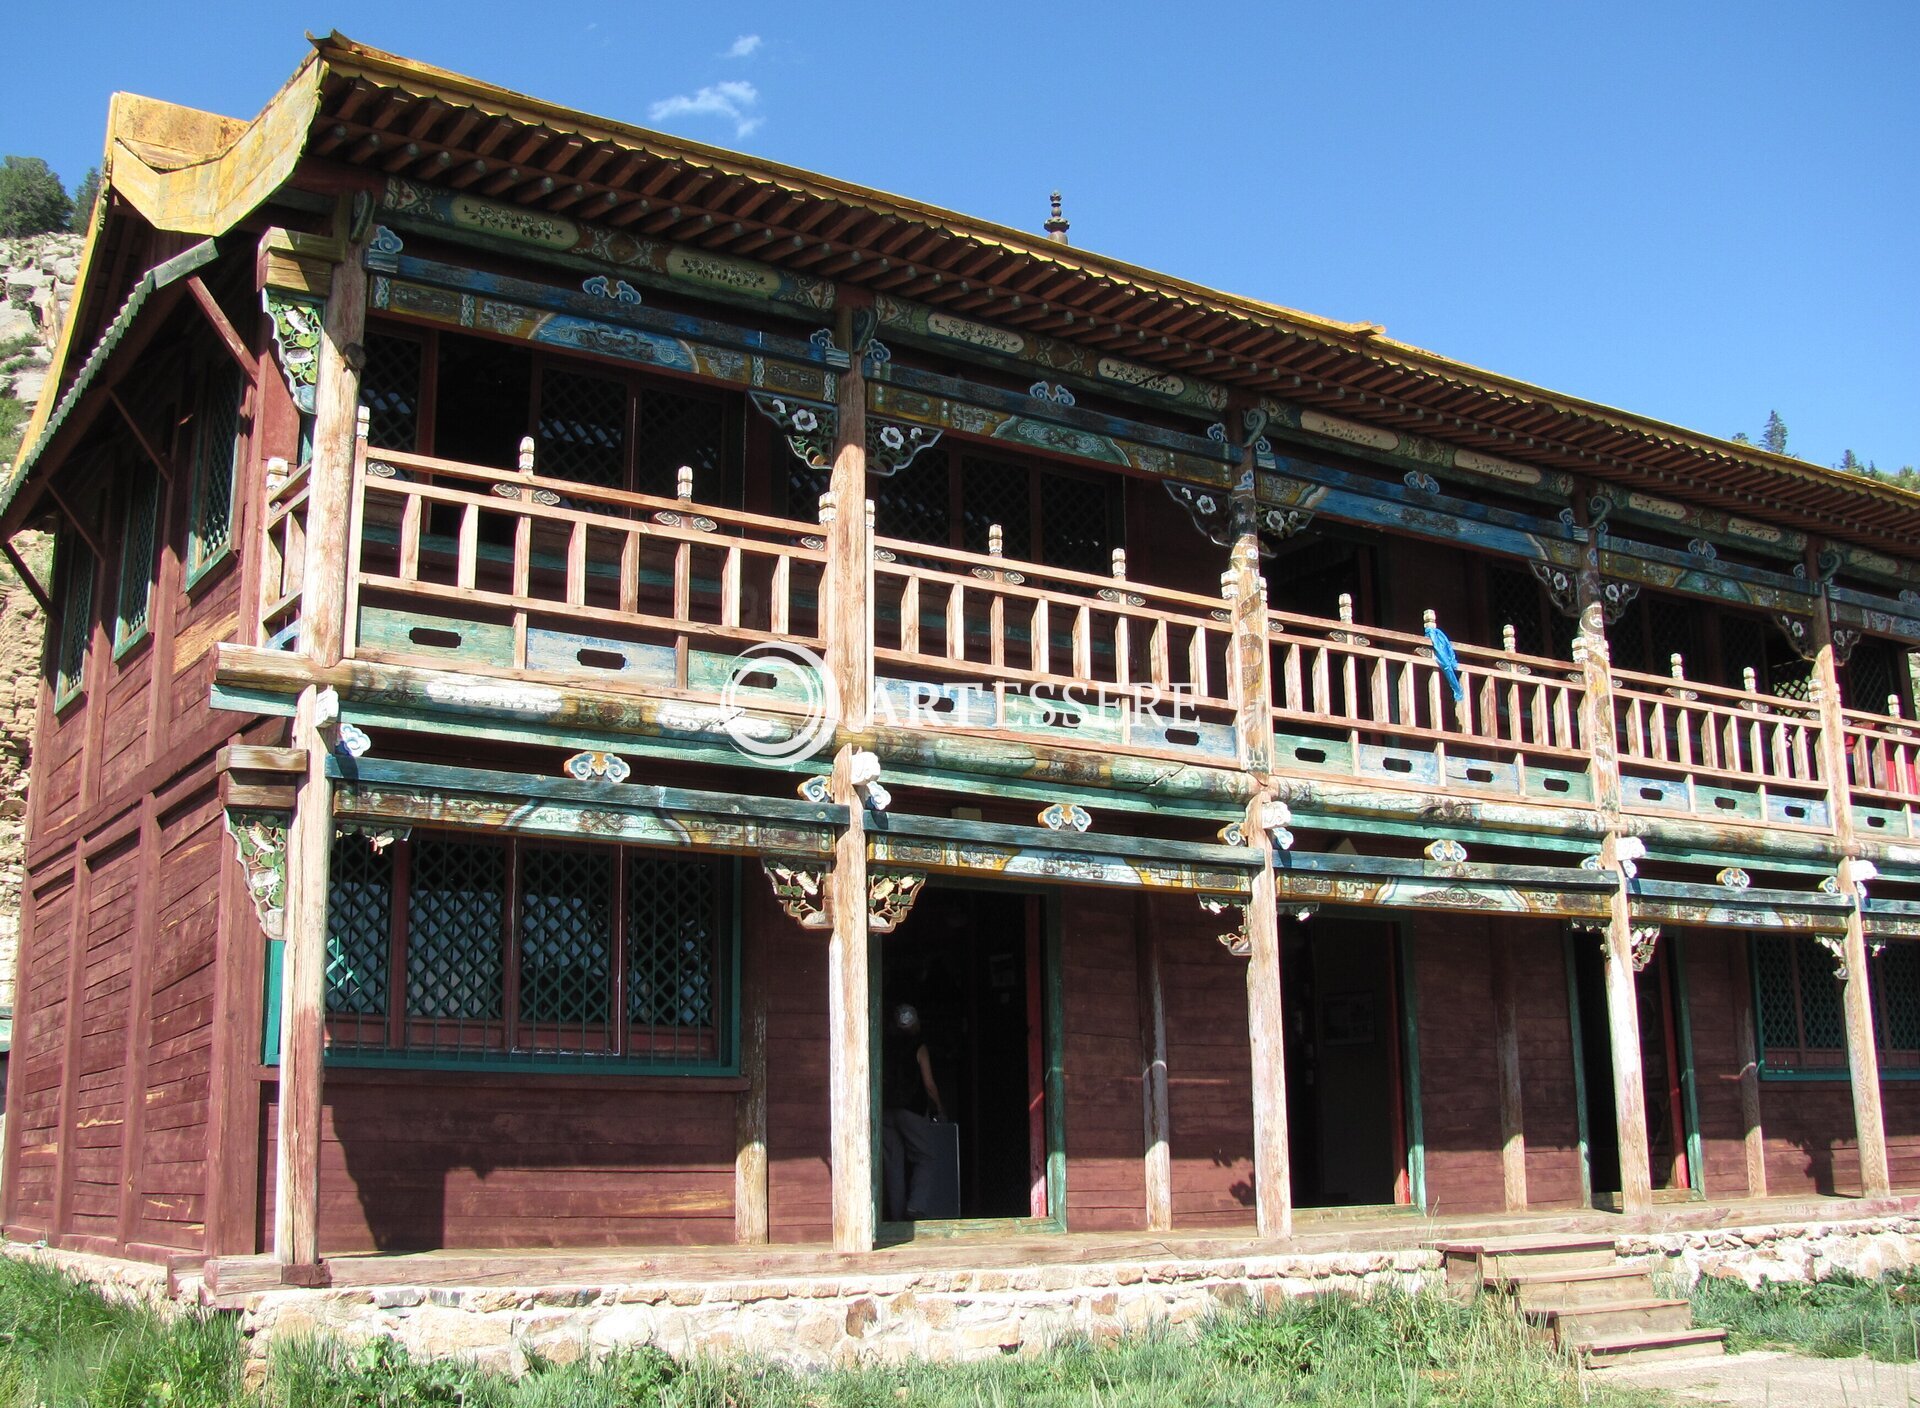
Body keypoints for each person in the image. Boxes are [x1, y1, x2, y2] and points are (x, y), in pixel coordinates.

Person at [881, 1002, 948, 1222]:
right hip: (911, 1109)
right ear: (916, 1023)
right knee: (926, 1157)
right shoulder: (919, 1047)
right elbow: (929, 1084)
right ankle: (916, 1207)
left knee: (893, 1163)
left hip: (887, 1111)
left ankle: (897, 1217)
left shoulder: (885, 1046)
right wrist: (939, 1108)